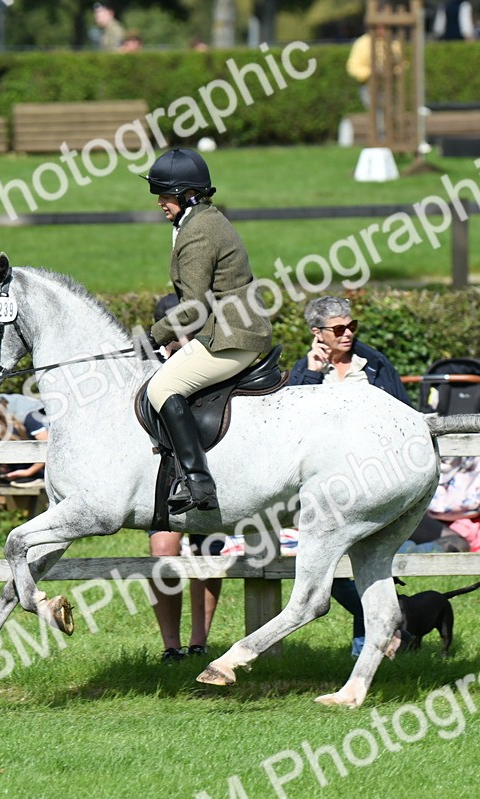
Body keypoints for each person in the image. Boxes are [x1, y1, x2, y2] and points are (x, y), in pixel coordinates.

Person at [141, 148, 272, 515]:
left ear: (186, 195)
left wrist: (154, 335)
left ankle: (198, 481)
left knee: (162, 386)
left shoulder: (198, 232)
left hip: (233, 336)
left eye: (165, 196)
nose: (160, 203)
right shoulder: (200, 221)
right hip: (226, 330)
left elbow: (194, 306)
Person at [286, 296, 410, 657]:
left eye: (352, 326)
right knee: (329, 567)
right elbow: (287, 426)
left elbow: (402, 411)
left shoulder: (374, 363)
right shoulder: (305, 369)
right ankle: (388, 625)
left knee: (364, 559)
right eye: (339, 329)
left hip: (373, 477)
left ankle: (364, 648)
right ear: (317, 333)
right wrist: (310, 374)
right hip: (323, 487)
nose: (348, 334)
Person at [146, 295, 224, 663]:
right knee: (163, 552)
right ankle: (170, 646)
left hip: (210, 470)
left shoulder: (209, 360)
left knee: (208, 552)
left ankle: (199, 643)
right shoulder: (149, 368)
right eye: (184, 329)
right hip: (161, 477)